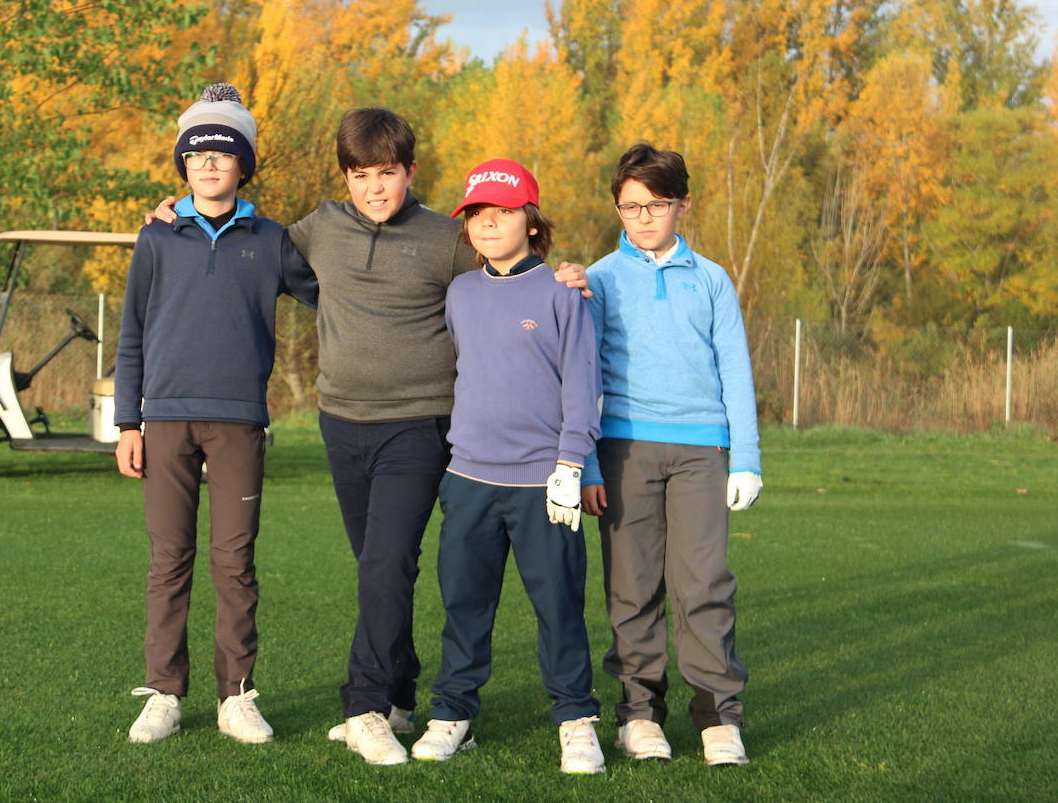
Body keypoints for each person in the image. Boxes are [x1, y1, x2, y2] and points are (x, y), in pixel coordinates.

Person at [148, 107, 587, 766]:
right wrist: (177, 213)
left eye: (387, 173)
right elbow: (244, 236)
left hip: (419, 425)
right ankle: (403, 691)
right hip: (342, 423)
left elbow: (511, 258)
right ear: (345, 178)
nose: (375, 188)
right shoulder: (317, 229)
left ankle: (366, 708)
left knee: (386, 563)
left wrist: (569, 271)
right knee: (380, 567)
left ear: (409, 171)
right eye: (360, 175)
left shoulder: (446, 237)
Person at [113, 83, 319, 747]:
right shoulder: (157, 238)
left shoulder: (273, 240)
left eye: (222, 153)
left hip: (238, 423)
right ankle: (165, 693)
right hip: (165, 421)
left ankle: (236, 696)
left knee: (234, 563)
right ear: (183, 164)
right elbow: (131, 335)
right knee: (169, 559)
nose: (208, 163)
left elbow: (341, 287)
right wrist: (126, 422)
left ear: (242, 165)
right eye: (197, 153)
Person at [409, 160, 606, 775]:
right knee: (464, 604)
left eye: (502, 212)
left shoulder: (561, 292)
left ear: (531, 220)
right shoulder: (461, 293)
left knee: (559, 607)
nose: (488, 224)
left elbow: (581, 385)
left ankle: (576, 719)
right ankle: (453, 713)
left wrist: (572, 464)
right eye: (476, 215)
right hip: (468, 479)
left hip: (542, 484)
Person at [579, 142, 764, 767]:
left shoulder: (711, 280)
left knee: (704, 585)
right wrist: (587, 463)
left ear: (683, 204)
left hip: (701, 452)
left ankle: (717, 716)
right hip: (624, 449)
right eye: (629, 207)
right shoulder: (600, 279)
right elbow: (583, 377)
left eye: (655, 205)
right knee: (632, 589)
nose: (642, 218)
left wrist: (746, 457)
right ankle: (639, 714)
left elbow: (734, 370)